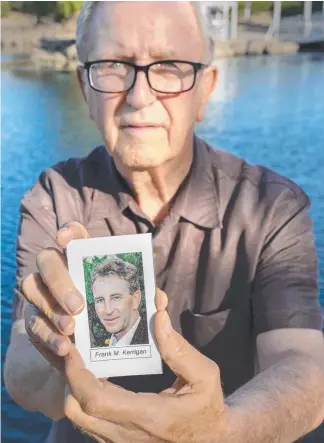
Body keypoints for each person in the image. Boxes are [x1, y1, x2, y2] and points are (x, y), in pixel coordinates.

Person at [4, 1, 324, 442]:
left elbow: (304, 363)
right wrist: (55, 349)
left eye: (170, 66)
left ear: (205, 90)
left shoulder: (272, 206)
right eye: (114, 64)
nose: (139, 97)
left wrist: (223, 431)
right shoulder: (54, 197)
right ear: (84, 87)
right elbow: (22, 369)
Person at [90, 256, 148, 347]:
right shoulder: (102, 345)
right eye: (100, 300)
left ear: (136, 299)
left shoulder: (152, 339)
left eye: (116, 298)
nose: (108, 311)